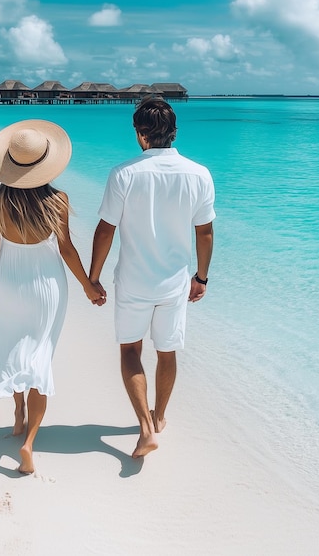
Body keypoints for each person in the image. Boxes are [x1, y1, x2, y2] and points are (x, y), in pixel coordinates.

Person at [0, 119, 104, 474]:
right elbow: (67, 250)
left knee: (12, 347)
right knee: (39, 358)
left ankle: (17, 412)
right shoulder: (58, 201)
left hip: (7, 283)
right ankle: (28, 443)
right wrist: (89, 285)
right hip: (46, 288)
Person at [89, 97, 215, 458]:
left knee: (131, 349)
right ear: (173, 132)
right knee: (167, 350)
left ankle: (145, 428)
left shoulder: (124, 173)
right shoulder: (199, 174)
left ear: (140, 134)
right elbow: (204, 232)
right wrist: (201, 278)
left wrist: (93, 277)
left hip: (133, 281)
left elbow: (105, 230)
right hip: (174, 284)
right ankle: (160, 417)